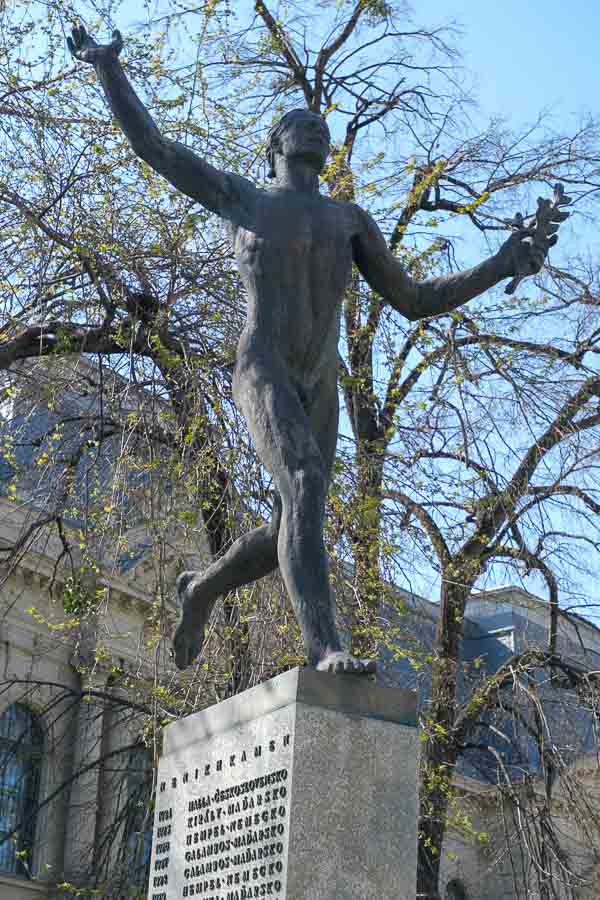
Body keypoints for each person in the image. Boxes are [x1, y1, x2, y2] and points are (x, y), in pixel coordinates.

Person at [68, 25, 553, 675]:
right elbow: (155, 147)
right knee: (303, 483)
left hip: (319, 383)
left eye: (323, 125)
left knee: (290, 527)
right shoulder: (242, 198)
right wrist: (108, 70)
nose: (317, 128)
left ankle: (202, 588)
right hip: (263, 366)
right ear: (275, 146)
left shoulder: (350, 221)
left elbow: (413, 298)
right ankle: (323, 645)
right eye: (302, 122)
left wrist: (500, 263)